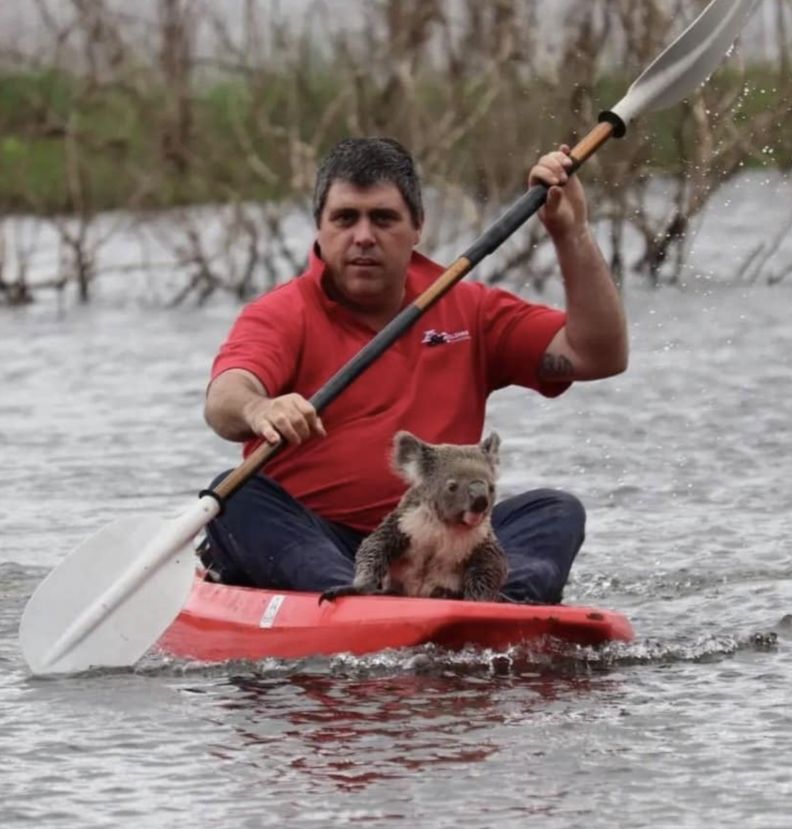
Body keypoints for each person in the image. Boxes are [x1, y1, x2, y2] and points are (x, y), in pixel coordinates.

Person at [200, 136, 628, 604]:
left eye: (383, 219)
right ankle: (357, 601)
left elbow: (598, 356)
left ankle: (497, 610)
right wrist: (260, 408)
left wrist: (573, 233)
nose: (363, 236)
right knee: (232, 494)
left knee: (556, 511)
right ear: (320, 228)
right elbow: (224, 401)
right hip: (317, 542)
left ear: (417, 227)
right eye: (345, 219)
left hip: (442, 536)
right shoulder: (281, 313)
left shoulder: (469, 308)